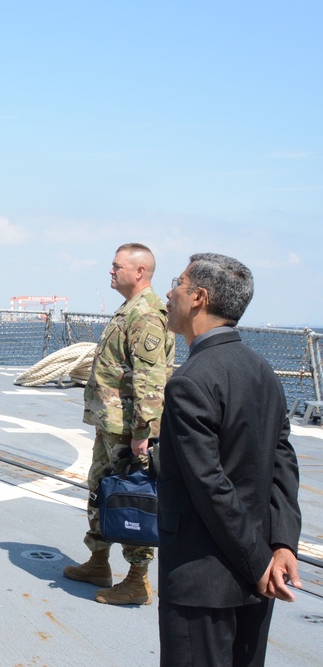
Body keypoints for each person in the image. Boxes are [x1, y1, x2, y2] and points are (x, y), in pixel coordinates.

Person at [158, 253, 301, 666]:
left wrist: (258, 562)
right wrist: (281, 544)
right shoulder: (263, 371)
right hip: (260, 575)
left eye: (178, 283)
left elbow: (209, 484)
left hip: (204, 580)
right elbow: (282, 461)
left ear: (199, 297)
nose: (169, 293)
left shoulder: (190, 381)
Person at [64, 243, 175, 605]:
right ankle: (98, 561)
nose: (110, 272)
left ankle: (137, 580)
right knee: (101, 491)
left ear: (139, 272)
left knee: (131, 499)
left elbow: (150, 379)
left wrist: (144, 434)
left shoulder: (146, 315)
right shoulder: (128, 310)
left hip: (128, 429)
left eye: (116, 267)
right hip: (111, 423)